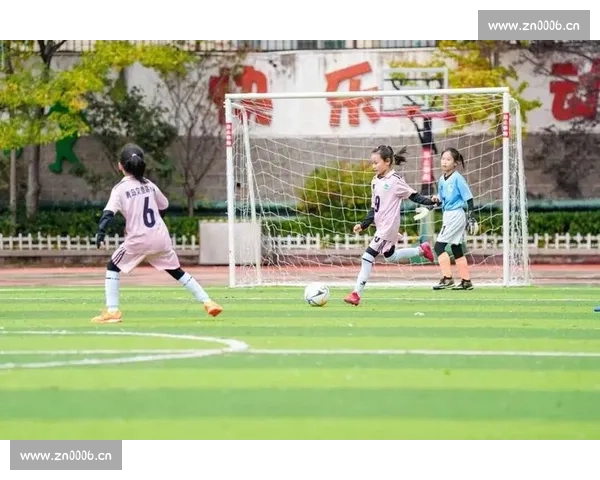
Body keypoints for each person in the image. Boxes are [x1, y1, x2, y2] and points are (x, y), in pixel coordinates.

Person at [90, 143, 223, 323]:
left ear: (120, 165)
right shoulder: (149, 185)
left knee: (113, 267)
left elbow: (108, 213)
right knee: (177, 271)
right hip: (160, 238)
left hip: (138, 240)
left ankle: (112, 311)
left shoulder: (120, 189)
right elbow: (164, 205)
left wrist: (101, 232)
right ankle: (208, 302)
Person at [344, 145, 436, 306]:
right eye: (372, 163)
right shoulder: (375, 181)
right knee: (390, 257)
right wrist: (364, 225)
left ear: (387, 162)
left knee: (367, 257)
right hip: (381, 227)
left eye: (376, 163)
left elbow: (414, 195)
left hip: (388, 228)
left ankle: (356, 294)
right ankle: (421, 250)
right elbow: (374, 207)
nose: (373, 166)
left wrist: (430, 202)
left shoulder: (395, 180)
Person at [430, 147, 477, 291]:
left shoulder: (458, 178)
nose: (444, 162)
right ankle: (466, 281)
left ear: (455, 163)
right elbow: (442, 198)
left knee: (438, 247)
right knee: (456, 247)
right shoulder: (441, 179)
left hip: (456, 215)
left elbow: (469, 198)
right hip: (448, 215)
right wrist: (436, 199)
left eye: (448, 159)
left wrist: (472, 217)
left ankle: (447, 278)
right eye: (443, 159)